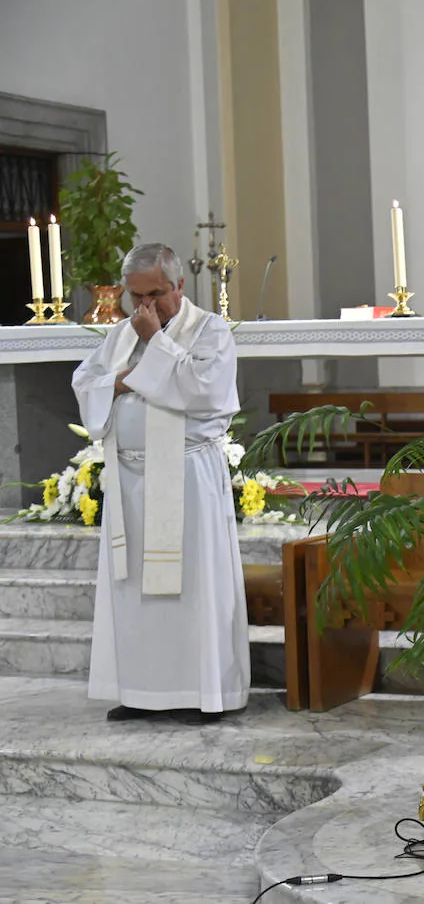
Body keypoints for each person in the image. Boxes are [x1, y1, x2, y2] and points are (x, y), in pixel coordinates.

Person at [72, 243, 248, 723]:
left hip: (189, 477)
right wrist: (126, 378)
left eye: (157, 294)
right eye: (136, 297)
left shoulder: (210, 331)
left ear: (180, 285)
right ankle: (141, 691)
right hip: (130, 480)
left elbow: (203, 391)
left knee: (191, 587)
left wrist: (145, 361)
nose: (146, 307)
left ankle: (201, 693)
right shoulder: (123, 334)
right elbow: (86, 382)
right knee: (136, 592)